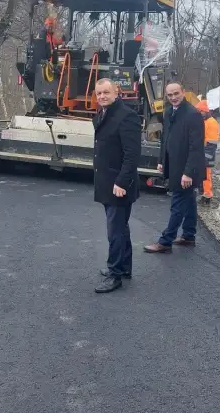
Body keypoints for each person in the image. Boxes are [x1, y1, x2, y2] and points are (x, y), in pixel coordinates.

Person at [92, 78, 142, 293]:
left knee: (115, 232)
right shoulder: (103, 114)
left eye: (106, 92)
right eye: (99, 93)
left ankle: (115, 275)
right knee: (120, 228)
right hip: (106, 183)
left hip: (119, 185)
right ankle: (124, 268)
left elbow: (132, 155)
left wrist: (121, 181)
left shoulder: (126, 116)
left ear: (116, 92)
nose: (102, 96)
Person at [144, 82, 206, 253]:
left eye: (176, 93)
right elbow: (165, 138)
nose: (173, 97)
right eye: (169, 95)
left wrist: (188, 173)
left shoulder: (193, 114)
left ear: (183, 92)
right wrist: (161, 160)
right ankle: (188, 236)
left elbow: (196, 147)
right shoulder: (169, 112)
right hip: (174, 165)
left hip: (186, 169)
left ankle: (165, 241)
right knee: (189, 200)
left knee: (177, 204)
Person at [195, 100, 220, 204]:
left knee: (205, 174)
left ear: (205, 111)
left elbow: (211, 143)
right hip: (203, 152)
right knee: (202, 174)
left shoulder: (211, 123)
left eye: (200, 111)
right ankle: (203, 193)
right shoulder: (206, 121)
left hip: (206, 153)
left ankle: (207, 195)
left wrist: (206, 157)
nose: (199, 113)